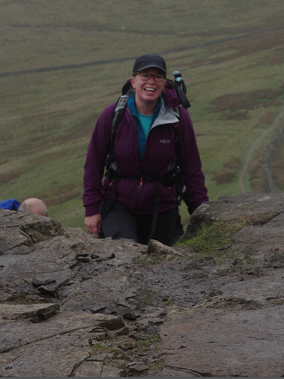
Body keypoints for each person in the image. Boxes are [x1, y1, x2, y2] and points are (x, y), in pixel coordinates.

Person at [83, 54, 209, 246]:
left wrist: (202, 212)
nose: (151, 81)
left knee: (160, 264)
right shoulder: (113, 115)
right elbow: (94, 164)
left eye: (158, 76)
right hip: (118, 203)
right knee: (126, 254)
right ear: (133, 82)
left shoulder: (177, 118)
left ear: (164, 83)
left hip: (162, 206)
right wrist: (92, 209)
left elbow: (191, 169)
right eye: (145, 76)